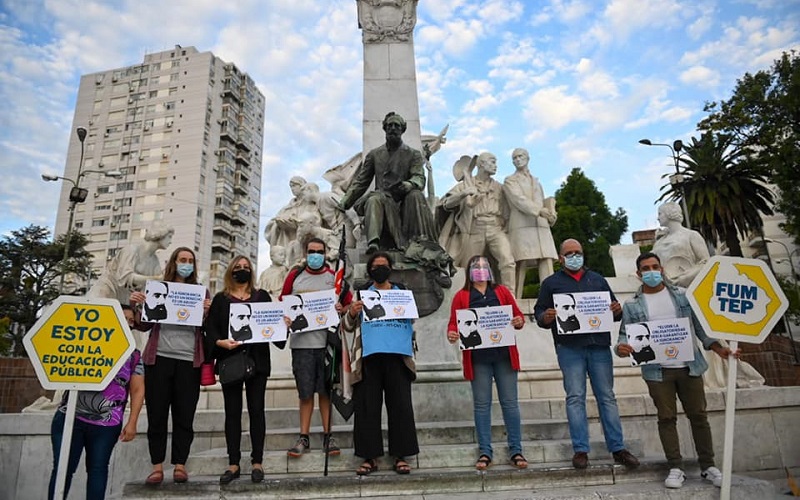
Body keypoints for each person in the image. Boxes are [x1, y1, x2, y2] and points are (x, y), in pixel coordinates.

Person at [615, 252, 735, 489]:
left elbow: (701, 327)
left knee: (699, 416)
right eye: (646, 269)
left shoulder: (683, 297)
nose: (651, 271)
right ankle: (675, 467)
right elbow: (622, 338)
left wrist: (718, 348)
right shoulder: (631, 305)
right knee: (666, 418)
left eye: (655, 266)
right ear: (639, 275)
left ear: (662, 269)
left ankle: (708, 466)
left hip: (690, 366)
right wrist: (621, 348)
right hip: (657, 372)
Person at [533, 238, 639, 470]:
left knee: (607, 397)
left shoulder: (597, 279)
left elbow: (614, 310)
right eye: (569, 253)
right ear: (561, 258)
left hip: (599, 346)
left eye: (577, 252)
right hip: (569, 348)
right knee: (575, 397)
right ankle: (581, 450)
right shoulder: (551, 283)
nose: (574, 256)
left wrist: (617, 309)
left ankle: (618, 448)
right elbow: (539, 312)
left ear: (583, 254)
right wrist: (545, 317)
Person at [130, 246, 210, 485]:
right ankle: (156, 466)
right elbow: (143, 325)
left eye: (190, 261)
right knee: (157, 414)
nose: (186, 263)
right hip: (159, 359)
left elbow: (207, 328)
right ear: (174, 262)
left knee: (185, 415)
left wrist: (207, 312)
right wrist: (137, 305)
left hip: (189, 361)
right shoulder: (155, 289)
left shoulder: (200, 291)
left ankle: (180, 465)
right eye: (182, 259)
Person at [47, 304, 144, 500]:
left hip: (107, 425)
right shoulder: (84, 343)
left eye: (131, 321)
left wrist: (132, 422)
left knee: (98, 470)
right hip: (70, 419)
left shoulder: (133, 356)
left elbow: (137, 389)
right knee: (63, 469)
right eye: (122, 317)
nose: (127, 323)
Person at [205, 255, 285, 484]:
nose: (242, 270)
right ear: (231, 271)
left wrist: (282, 324)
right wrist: (220, 343)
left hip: (257, 362)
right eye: (238, 267)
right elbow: (211, 329)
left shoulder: (262, 297)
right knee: (232, 413)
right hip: (230, 362)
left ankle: (257, 462)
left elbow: (274, 330)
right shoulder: (221, 299)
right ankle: (233, 464)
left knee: (257, 411)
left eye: (246, 267)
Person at [447, 255, 527, 470]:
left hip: (504, 356)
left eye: (484, 266)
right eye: (476, 266)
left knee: (510, 404)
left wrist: (519, 321)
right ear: (469, 271)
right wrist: (452, 333)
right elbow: (453, 324)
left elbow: (518, 317)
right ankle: (485, 451)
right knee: (482, 406)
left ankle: (516, 449)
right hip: (478, 359)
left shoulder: (501, 292)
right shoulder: (461, 296)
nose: (480, 269)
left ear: (490, 270)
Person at [342, 252, 419, 475]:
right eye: (375, 266)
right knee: (367, 408)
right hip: (369, 358)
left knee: (401, 407)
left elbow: (413, 318)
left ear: (390, 268)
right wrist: (352, 312)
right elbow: (347, 326)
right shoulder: (362, 293)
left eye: (384, 265)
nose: (380, 269)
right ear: (370, 270)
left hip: (398, 356)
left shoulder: (402, 292)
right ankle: (369, 457)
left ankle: (401, 455)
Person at [280, 237, 352, 458]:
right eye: (311, 251)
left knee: (326, 392)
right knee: (305, 393)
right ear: (305, 252)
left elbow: (348, 304)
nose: (315, 255)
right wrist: (286, 317)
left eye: (319, 252)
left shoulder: (335, 279)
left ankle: (328, 436)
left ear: (325, 253)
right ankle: (304, 437)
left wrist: (342, 307)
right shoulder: (294, 277)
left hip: (327, 343)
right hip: (301, 344)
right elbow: (282, 303)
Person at [337, 112, 438, 253]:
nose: (393, 128)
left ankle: (418, 240)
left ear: (402, 129)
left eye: (397, 125)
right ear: (384, 129)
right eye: (389, 125)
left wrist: (410, 184)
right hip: (382, 196)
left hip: (403, 199)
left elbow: (419, 177)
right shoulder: (374, 154)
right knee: (373, 199)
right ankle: (373, 243)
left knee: (415, 195)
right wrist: (345, 201)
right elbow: (362, 181)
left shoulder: (413, 154)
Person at [438, 152, 516, 287]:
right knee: (470, 266)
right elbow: (446, 203)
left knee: (507, 261)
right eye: (492, 162)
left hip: (495, 228)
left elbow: (508, 210)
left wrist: (506, 227)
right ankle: (469, 296)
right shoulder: (466, 184)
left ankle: (510, 297)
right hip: (474, 229)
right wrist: (463, 193)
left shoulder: (500, 187)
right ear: (481, 164)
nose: (495, 166)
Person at [502, 147, 558, 293]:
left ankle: (551, 297)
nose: (517, 160)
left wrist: (551, 213)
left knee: (546, 260)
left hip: (541, 225)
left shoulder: (537, 182)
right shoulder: (510, 180)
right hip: (521, 225)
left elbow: (542, 202)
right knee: (520, 262)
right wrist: (539, 211)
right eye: (514, 158)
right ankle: (515, 299)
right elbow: (518, 200)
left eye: (520, 156)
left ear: (528, 158)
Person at [89, 222, 174, 304]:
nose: (171, 241)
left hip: (123, 301)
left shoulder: (155, 261)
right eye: (169, 237)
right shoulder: (131, 250)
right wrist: (155, 278)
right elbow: (125, 277)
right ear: (160, 234)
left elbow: (158, 283)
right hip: (103, 293)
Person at [651, 202, 710, 287]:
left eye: (660, 214)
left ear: (669, 213)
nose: (658, 218)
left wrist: (687, 277)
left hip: (690, 286)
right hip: (666, 287)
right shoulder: (659, 242)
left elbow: (706, 262)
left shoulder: (691, 235)